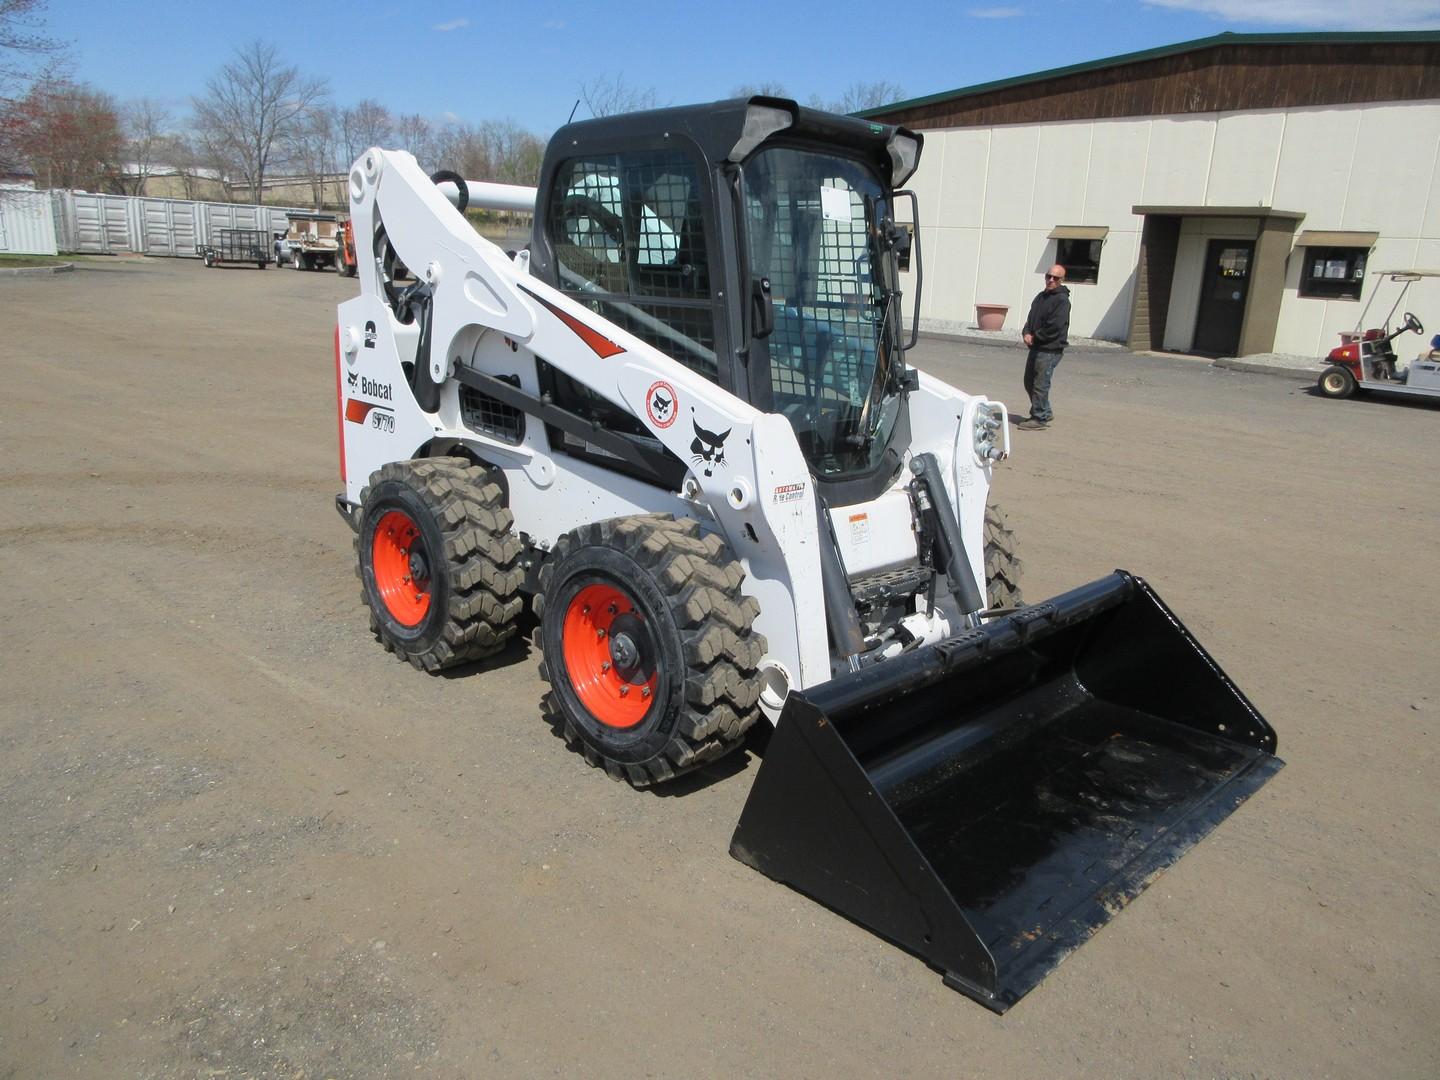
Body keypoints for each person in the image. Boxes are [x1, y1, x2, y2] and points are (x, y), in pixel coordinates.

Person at [1017, 264, 1071, 430]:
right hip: (1037, 347)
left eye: (1056, 278)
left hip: (1050, 349)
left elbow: (1054, 327)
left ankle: (1039, 418)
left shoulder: (1062, 301)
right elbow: (1031, 319)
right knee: (1029, 382)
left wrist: (1036, 336)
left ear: (1062, 280)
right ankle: (1045, 411)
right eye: (1049, 276)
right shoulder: (1040, 297)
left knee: (1040, 384)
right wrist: (1026, 332)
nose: (1051, 280)